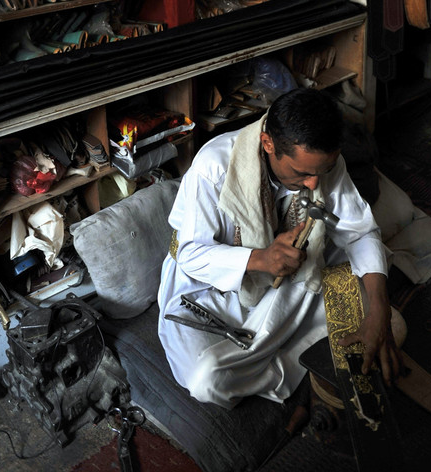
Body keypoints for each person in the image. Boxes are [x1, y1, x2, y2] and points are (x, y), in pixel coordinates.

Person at [157, 87, 402, 409]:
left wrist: (380, 310)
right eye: (301, 173)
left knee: (391, 324)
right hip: (209, 286)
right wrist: (260, 258)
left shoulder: (323, 163)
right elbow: (190, 255)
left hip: (291, 275)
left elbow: (359, 232)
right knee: (207, 380)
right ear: (268, 144)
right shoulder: (214, 167)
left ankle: (290, 366)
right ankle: (301, 380)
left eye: (322, 173)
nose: (314, 184)